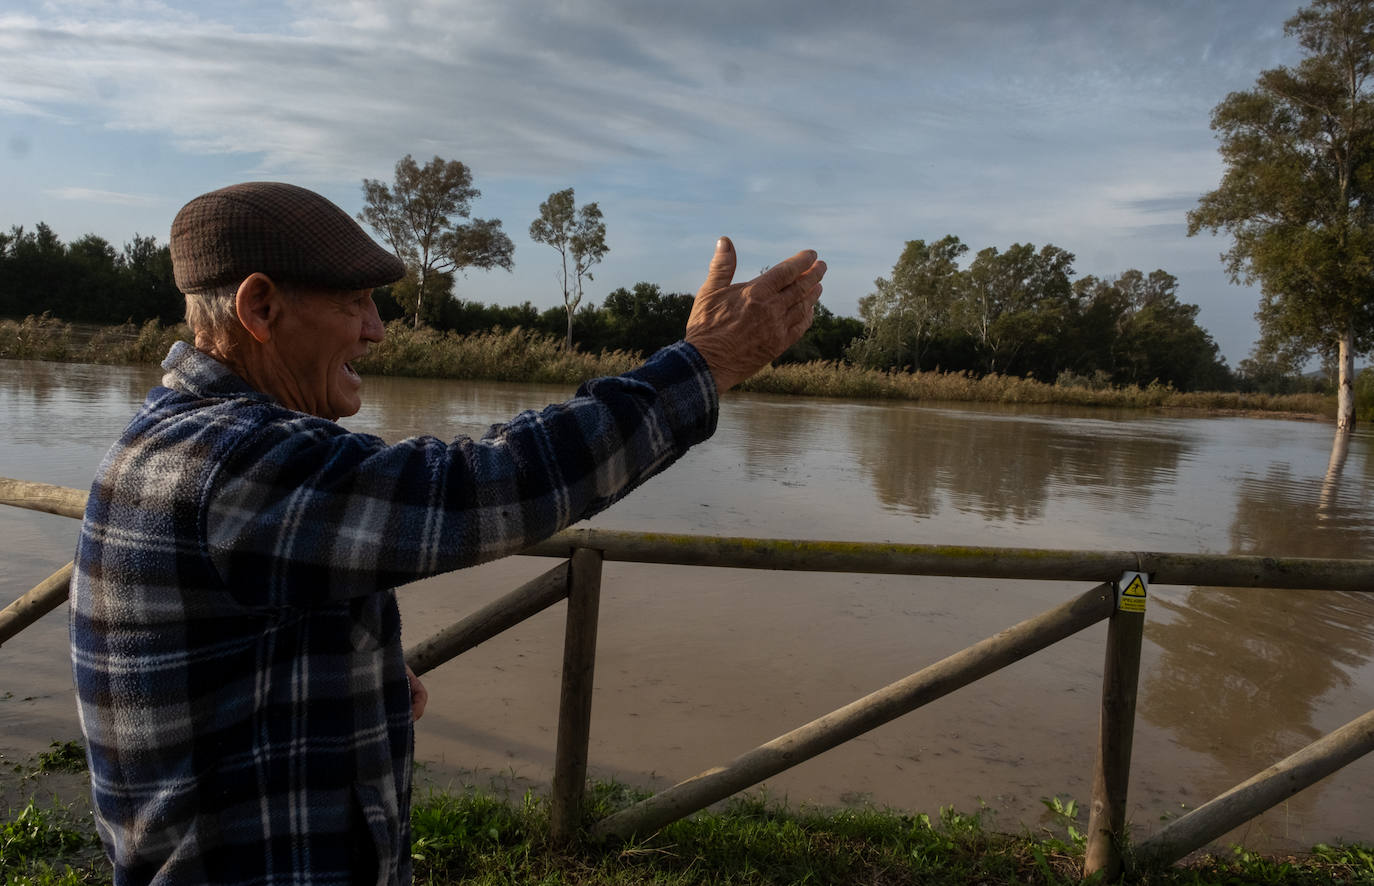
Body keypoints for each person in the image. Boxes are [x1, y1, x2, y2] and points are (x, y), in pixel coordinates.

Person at [69, 181, 825, 885]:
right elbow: (483, 487)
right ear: (259, 309)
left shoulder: (174, 439)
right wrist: (704, 363)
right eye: (358, 303)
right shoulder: (235, 461)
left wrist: (349, 673)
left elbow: (227, 634)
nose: (377, 332)